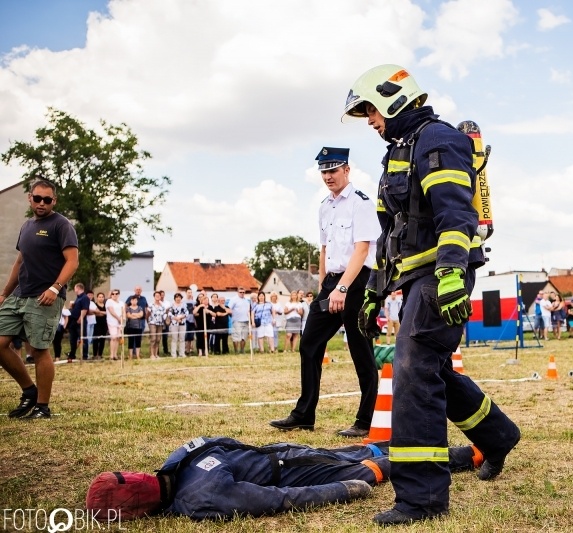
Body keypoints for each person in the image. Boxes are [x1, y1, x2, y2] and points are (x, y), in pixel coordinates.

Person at [343, 64, 520, 525]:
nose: (369, 121)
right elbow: (391, 236)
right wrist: (373, 293)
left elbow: (456, 217)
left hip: (442, 276)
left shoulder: (438, 140)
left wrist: (449, 275)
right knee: (431, 366)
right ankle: (497, 436)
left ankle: (421, 498)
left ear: (394, 99)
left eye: (370, 110)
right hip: (415, 278)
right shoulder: (399, 151)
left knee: (413, 370)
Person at [85, 436, 484, 521]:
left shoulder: (198, 500)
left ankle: (466, 455)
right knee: (372, 449)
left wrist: (346, 488)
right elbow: (224, 442)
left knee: (380, 463)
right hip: (281, 451)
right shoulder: (177, 459)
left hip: (296, 467)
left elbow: (283, 499)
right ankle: (461, 448)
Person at [270, 147, 380, 439]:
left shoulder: (361, 203)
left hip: (357, 282)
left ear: (347, 169)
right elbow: (324, 248)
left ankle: (365, 419)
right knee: (309, 343)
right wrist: (324, 285)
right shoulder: (324, 206)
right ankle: (304, 415)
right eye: (324, 171)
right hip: (331, 282)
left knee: (361, 352)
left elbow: (362, 249)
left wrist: (343, 287)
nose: (328, 176)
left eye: (333, 170)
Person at [0, 179, 78, 419]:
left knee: (38, 349)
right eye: (37, 198)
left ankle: (43, 407)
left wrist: (55, 288)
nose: (41, 203)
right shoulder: (26, 226)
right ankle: (29, 391)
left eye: (47, 199)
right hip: (20, 295)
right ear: (30, 198)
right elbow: (20, 262)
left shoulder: (61, 225)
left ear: (54, 201)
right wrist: (5, 293)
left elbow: (72, 261)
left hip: (45, 297)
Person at [67, 282, 89, 361]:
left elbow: (85, 308)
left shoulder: (84, 297)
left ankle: (85, 355)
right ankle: (72, 354)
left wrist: (81, 318)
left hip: (79, 320)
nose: (74, 290)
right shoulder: (78, 298)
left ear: (78, 288)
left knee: (82, 338)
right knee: (73, 338)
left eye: (75, 288)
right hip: (73, 320)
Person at [228, 287, 252, 354]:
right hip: (237, 321)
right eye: (240, 292)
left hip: (246, 321)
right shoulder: (233, 299)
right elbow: (229, 309)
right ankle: (236, 351)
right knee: (236, 337)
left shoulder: (246, 300)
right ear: (237, 292)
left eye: (243, 292)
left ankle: (242, 350)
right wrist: (231, 315)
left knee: (244, 337)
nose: (242, 293)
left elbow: (248, 310)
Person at [167, 293, 188, 358]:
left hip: (182, 323)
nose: (178, 298)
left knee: (182, 338)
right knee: (174, 339)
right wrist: (176, 318)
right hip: (174, 323)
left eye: (179, 297)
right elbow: (170, 314)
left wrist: (181, 318)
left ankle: (182, 353)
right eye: (176, 297)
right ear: (175, 298)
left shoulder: (184, 305)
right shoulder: (172, 305)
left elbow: (187, 313)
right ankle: (173, 353)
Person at [106, 290, 125, 360]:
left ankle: (115, 354)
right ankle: (111, 355)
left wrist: (122, 319)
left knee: (117, 338)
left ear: (118, 294)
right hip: (112, 321)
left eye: (116, 293)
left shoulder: (121, 303)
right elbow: (111, 311)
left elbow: (123, 311)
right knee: (113, 337)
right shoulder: (109, 301)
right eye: (113, 294)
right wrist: (118, 318)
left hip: (120, 322)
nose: (114, 295)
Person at [125, 295, 145, 360]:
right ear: (130, 301)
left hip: (138, 327)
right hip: (130, 327)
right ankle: (130, 356)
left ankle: (137, 355)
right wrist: (137, 315)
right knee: (130, 341)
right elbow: (128, 316)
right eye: (133, 300)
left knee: (138, 341)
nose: (134, 301)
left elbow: (141, 315)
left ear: (137, 301)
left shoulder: (140, 307)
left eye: (135, 300)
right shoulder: (128, 308)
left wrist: (133, 314)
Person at [147, 291, 166, 359]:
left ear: (161, 296)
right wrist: (148, 321)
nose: (157, 296)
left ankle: (156, 354)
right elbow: (148, 313)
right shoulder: (151, 304)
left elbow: (164, 314)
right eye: (156, 295)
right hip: (152, 323)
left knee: (158, 339)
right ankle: (151, 354)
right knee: (153, 339)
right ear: (154, 296)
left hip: (160, 323)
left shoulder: (162, 305)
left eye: (159, 295)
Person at [92, 292, 108, 359]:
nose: (101, 298)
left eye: (102, 297)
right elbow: (95, 313)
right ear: (97, 298)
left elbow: (107, 313)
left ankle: (100, 354)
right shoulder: (95, 305)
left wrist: (99, 312)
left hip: (104, 324)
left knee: (102, 339)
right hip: (96, 324)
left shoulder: (106, 305)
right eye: (100, 297)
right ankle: (95, 354)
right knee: (96, 339)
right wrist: (102, 313)